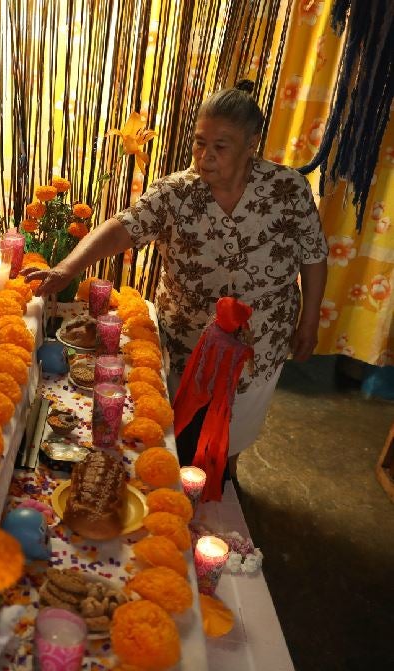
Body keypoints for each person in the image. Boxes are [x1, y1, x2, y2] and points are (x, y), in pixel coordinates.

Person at [23, 81, 328, 479]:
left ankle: (224, 488)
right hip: (186, 339)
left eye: (221, 146)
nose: (206, 157)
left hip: (260, 341)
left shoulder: (287, 189)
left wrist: (309, 321)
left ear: (252, 143)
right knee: (180, 434)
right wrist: (67, 268)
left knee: (232, 437)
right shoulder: (177, 192)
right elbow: (123, 227)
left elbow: (314, 255)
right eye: (200, 143)